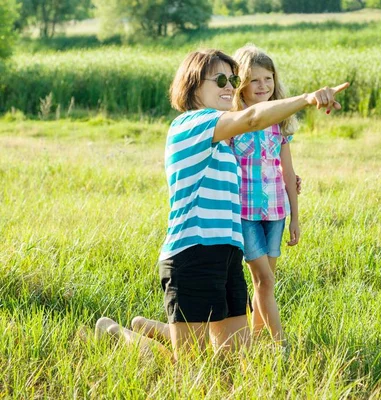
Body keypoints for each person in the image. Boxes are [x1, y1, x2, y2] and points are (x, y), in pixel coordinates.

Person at [95, 48, 348, 361]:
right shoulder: (192, 125)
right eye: (220, 80)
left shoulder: (224, 141)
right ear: (193, 85)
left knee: (232, 362)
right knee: (190, 368)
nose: (230, 86)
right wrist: (308, 98)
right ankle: (116, 332)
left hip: (228, 255)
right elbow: (253, 117)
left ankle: (153, 327)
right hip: (193, 255)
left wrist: (287, 183)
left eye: (233, 79)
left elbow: (256, 170)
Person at [230, 45, 299, 345]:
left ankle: (255, 340)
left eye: (268, 79)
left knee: (264, 284)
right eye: (255, 80)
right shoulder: (231, 124)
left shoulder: (279, 124)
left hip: (275, 213)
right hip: (244, 213)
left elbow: (288, 171)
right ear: (241, 85)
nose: (263, 86)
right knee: (265, 280)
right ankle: (280, 345)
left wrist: (296, 217)